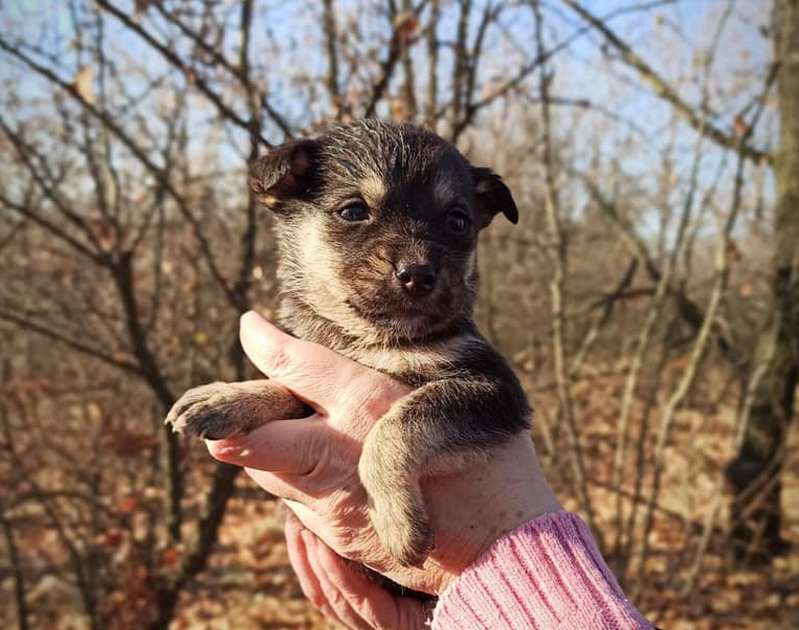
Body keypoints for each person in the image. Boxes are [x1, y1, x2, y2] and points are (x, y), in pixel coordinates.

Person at [205, 312, 653, 629]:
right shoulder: (311, 334)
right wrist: (267, 399)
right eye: (354, 213)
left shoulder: (447, 340)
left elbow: (495, 400)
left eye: (454, 223)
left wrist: (388, 461)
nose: (416, 257)